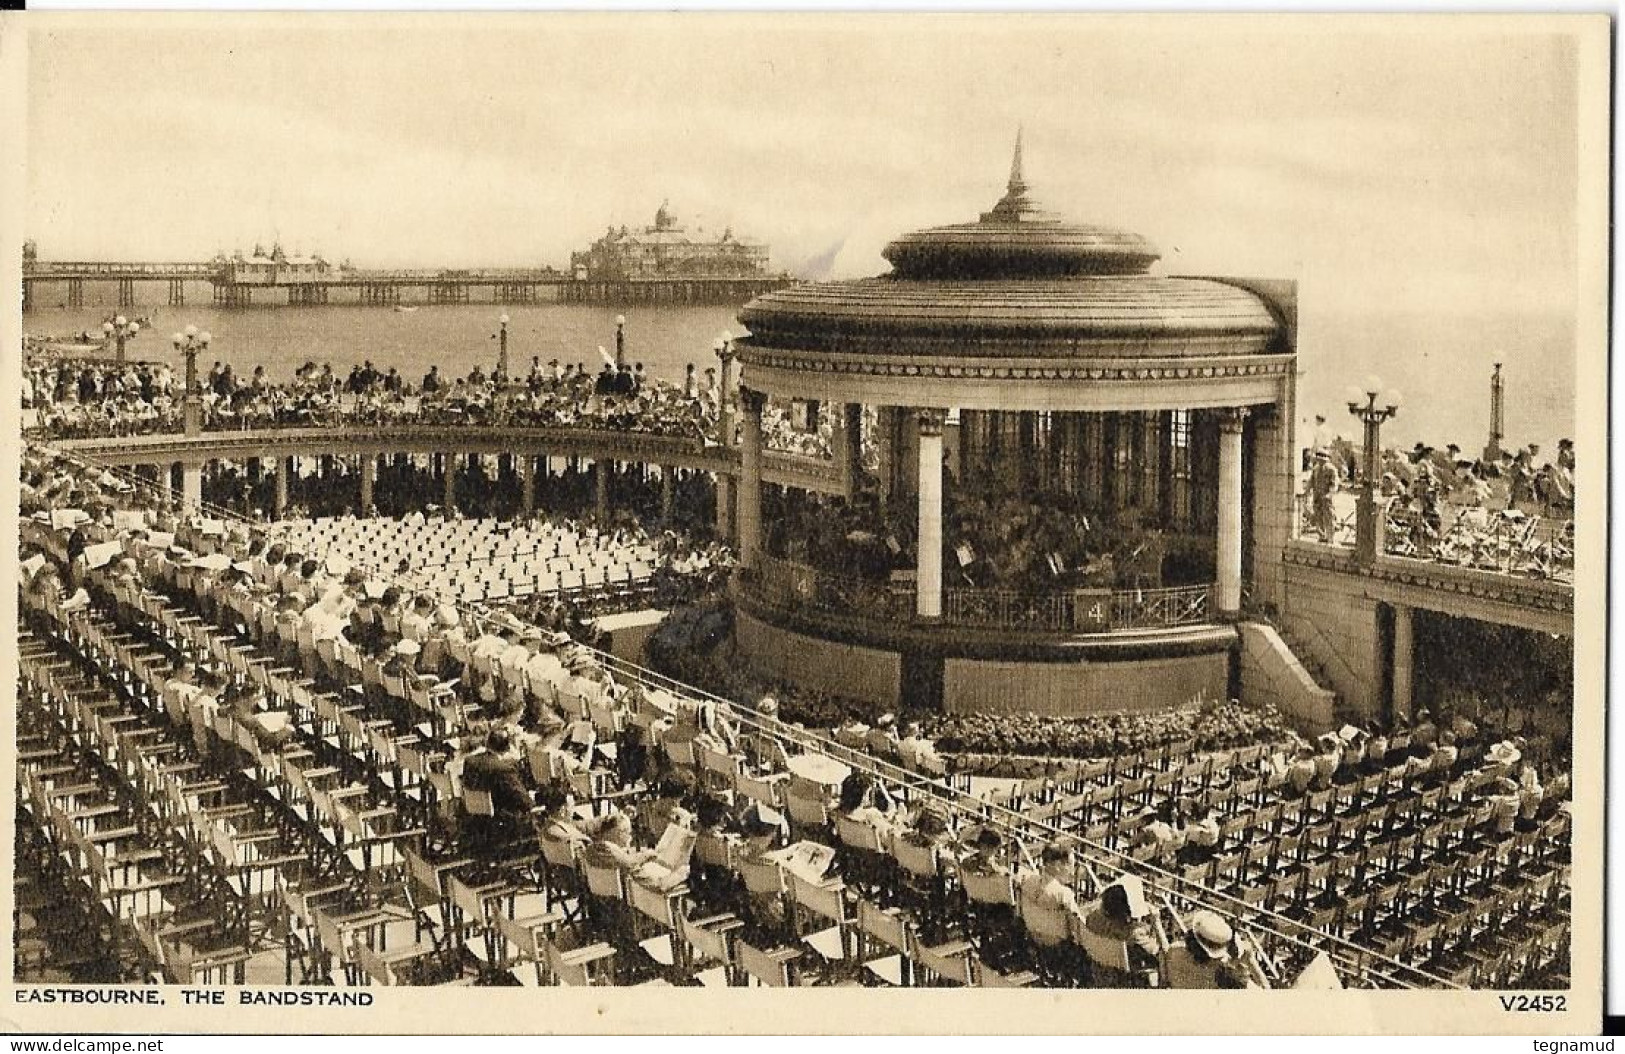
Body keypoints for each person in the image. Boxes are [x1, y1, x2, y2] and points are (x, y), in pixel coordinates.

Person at [1082, 875, 1160, 977]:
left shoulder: (1092, 920)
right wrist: (1156, 922)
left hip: (1099, 976)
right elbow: (1163, 955)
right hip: (1125, 983)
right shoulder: (1134, 935)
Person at [1164, 910, 1265, 989]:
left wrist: (1157, 923)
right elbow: (1267, 994)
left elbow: (1165, 957)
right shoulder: (1225, 975)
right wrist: (1251, 961)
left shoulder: (1174, 951)